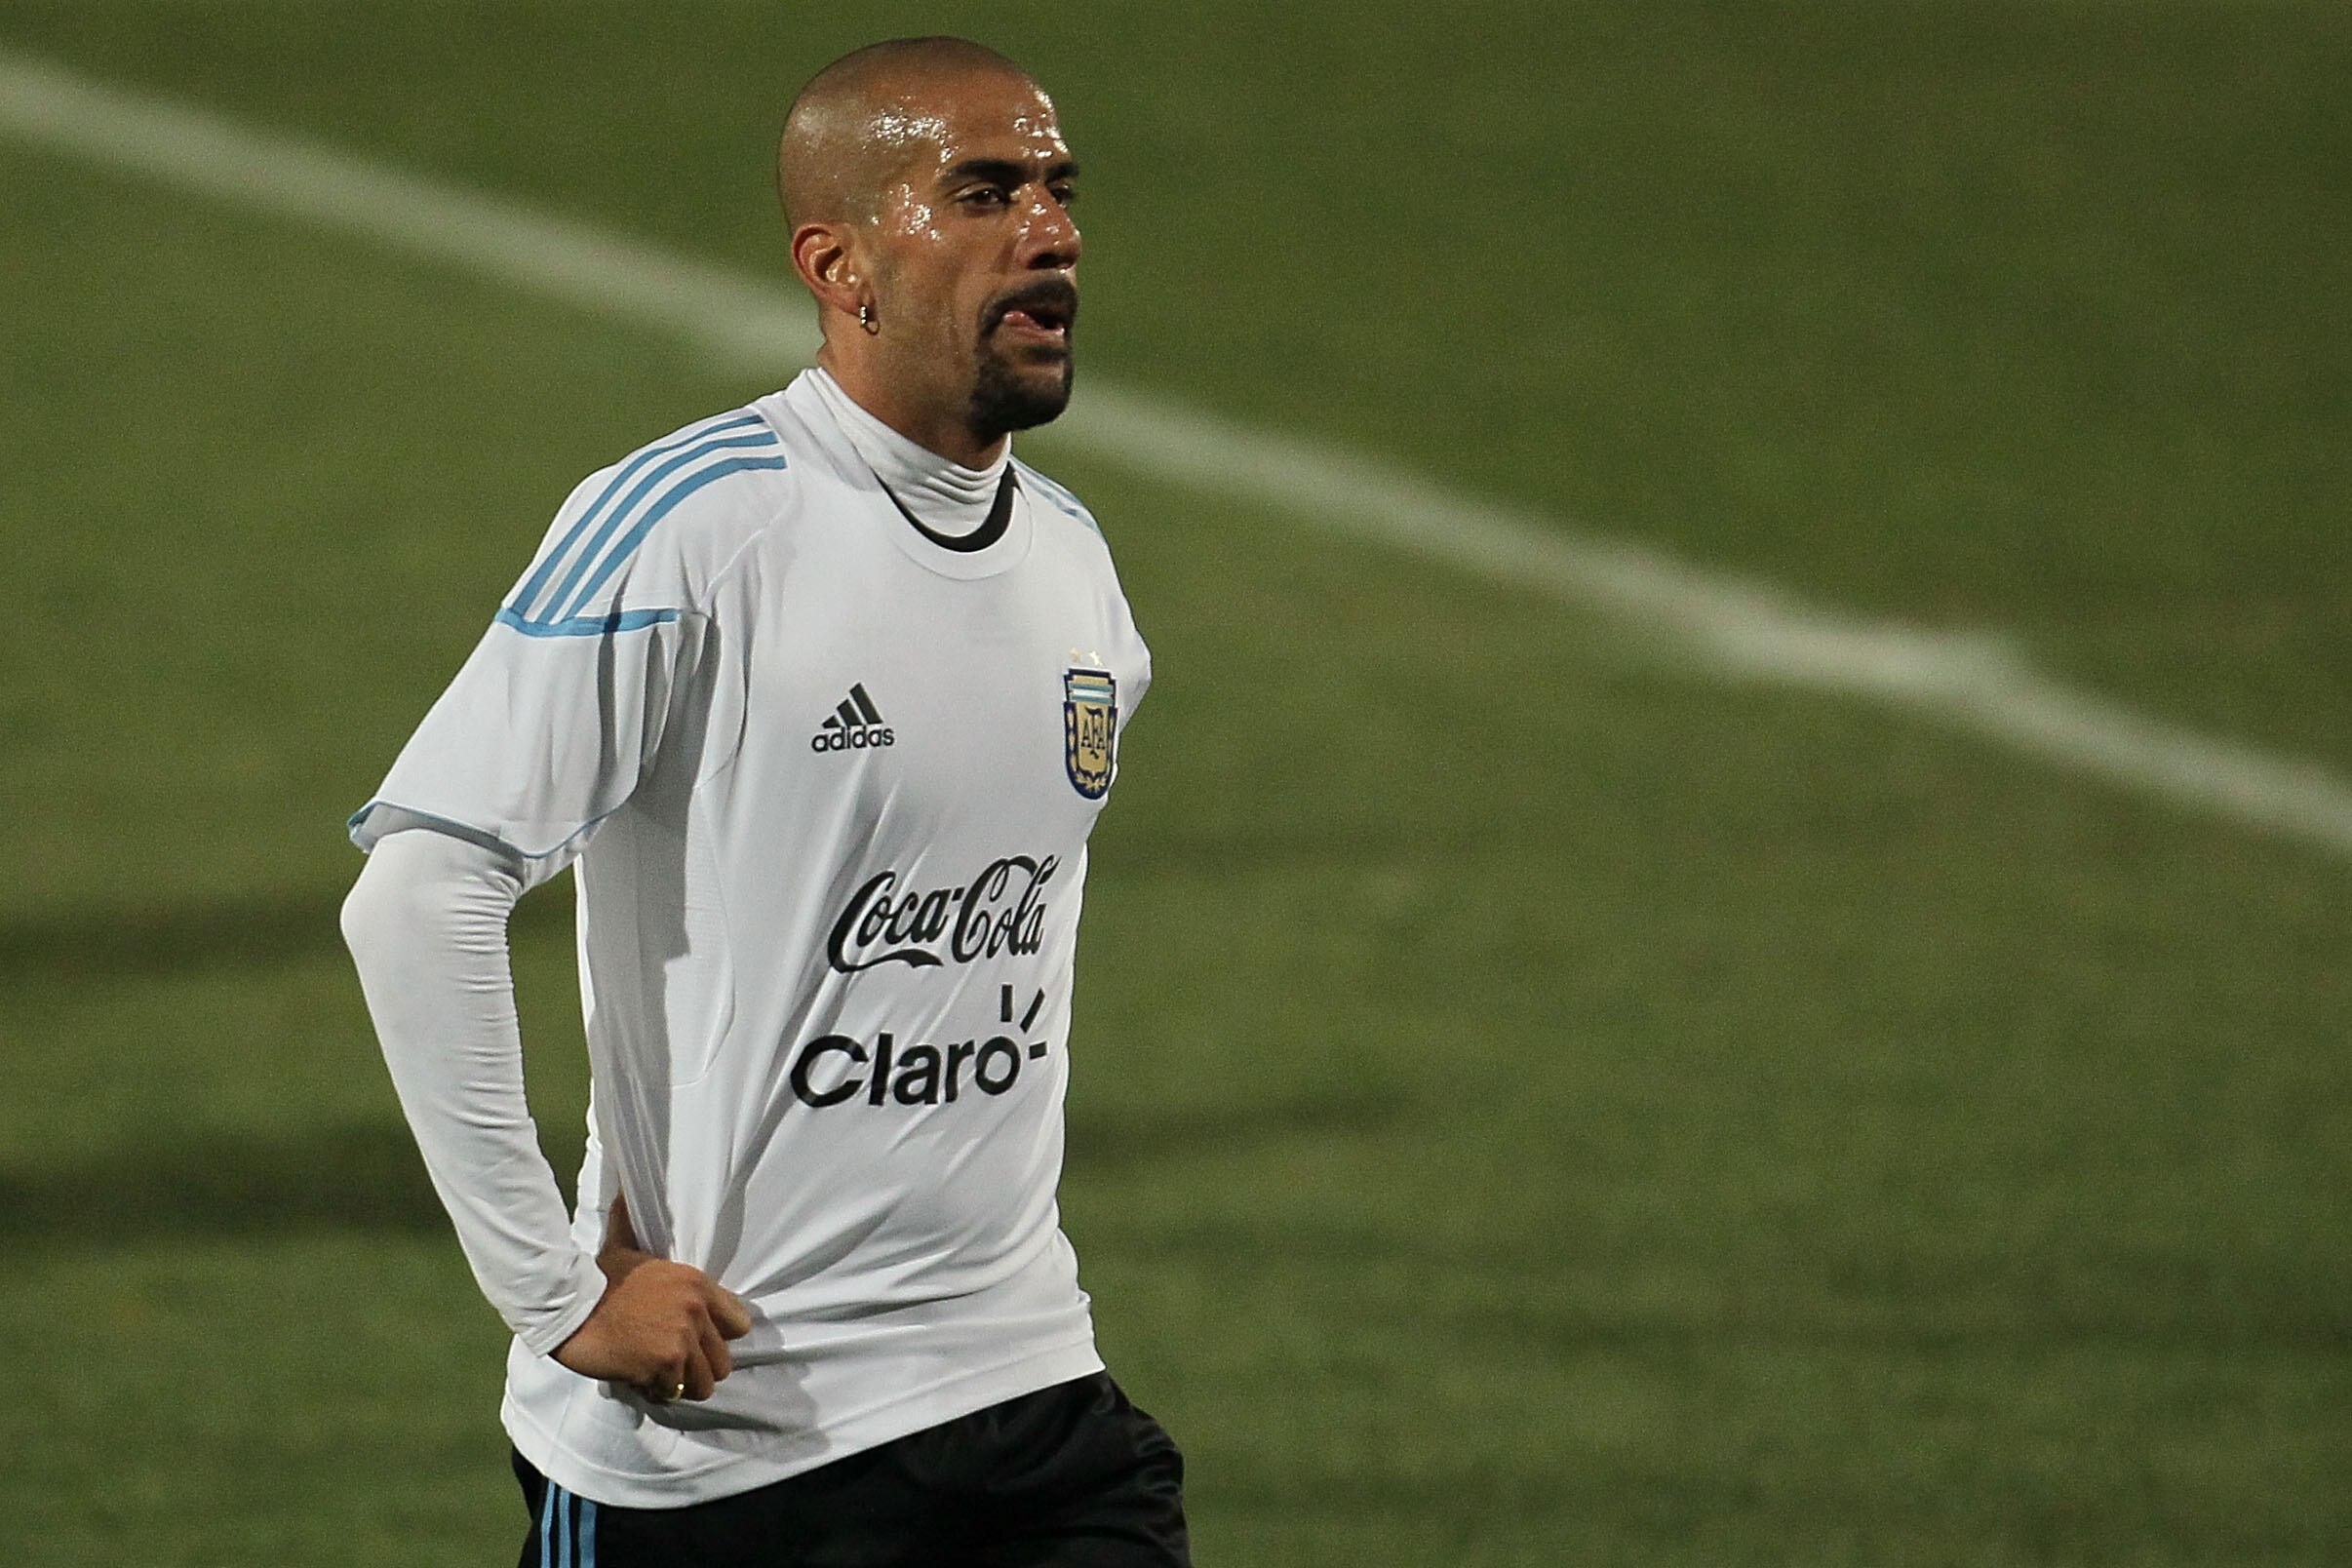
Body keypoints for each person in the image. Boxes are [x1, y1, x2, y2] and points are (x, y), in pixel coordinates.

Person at [339, 36, 1188, 1566]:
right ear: (842, 265)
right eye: (984, 193)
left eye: (1058, 190)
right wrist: (556, 1293)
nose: (1051, 232)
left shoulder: (1074, 566)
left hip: (1025, 1387)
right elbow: (418, 893)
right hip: (727, 1444)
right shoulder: (695, 527)